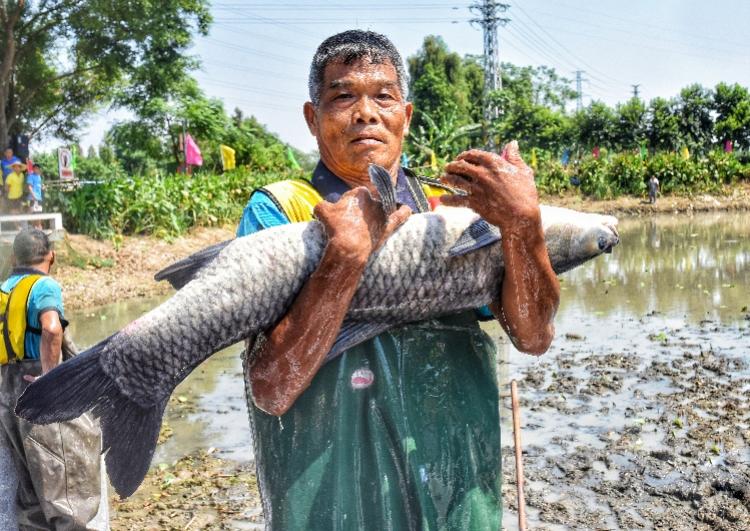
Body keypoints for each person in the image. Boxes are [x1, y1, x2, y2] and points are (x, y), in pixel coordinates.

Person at [237, 31, 560, 530]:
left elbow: (534, 335)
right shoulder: (282, 212)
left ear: (405, 117)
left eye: (383, 96)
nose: (366, 113)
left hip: (452, 488)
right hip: (329, 499)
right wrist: (343, 261)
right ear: (312, 117)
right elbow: (272, 388)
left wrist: (522, 226)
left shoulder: (449, 209)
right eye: (343, 96)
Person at [0, 229, 109, 530]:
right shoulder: (44, 285)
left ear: (13, 258)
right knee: (65, 482)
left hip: (8, 388)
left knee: (31, 486)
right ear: (51, 256)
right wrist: (51, 380)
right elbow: (50, 328)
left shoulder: (5, 287)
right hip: (37, 383)